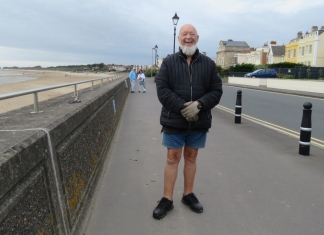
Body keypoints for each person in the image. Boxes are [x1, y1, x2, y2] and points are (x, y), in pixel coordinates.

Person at [153, 24, 223, 219]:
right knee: (172, 158)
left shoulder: (208, 64)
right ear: (179, 38)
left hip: (199, 121)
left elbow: (216, 91)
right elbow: (163, 90)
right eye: (184, 34)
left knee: (191, 157)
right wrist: (184, 108)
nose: (188, 37)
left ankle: (188, 194)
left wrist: (199, 105)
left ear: (197, 38)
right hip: (174, 120)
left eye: (192, 34)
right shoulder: (168, 62)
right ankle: (167, 199)